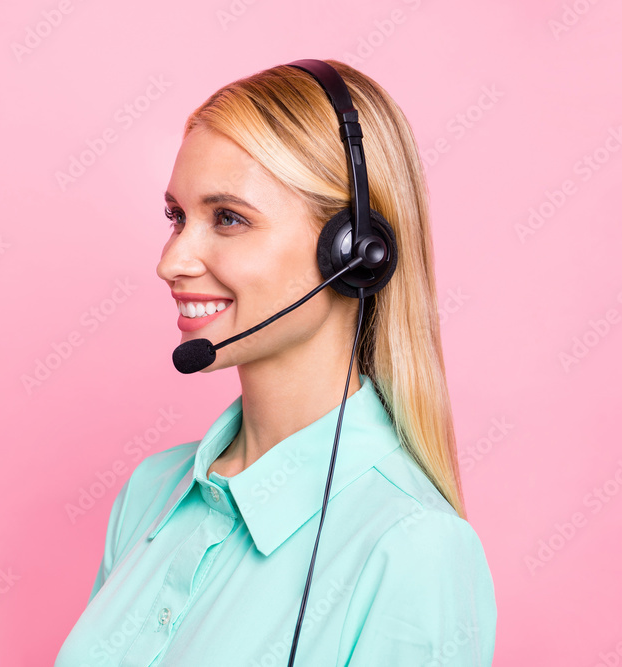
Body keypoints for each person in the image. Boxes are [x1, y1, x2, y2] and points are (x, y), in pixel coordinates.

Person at [56, 59, 497, 666]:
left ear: (353, 251)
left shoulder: (412, 549)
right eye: (177, 218)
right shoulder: (152, 492)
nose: (172, 261)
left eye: (229, 218)